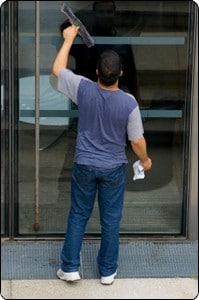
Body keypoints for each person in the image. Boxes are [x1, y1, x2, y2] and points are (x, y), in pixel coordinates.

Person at [52, 25, 152, 285]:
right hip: (113, 168)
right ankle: (107, 271)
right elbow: (137, 140)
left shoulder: (83, 88)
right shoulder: (129, 103)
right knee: (110, 220)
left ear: (96, 71)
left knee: (78, 214)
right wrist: (145, 160)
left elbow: (58, 70)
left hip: (84, 164)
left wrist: (68, 40)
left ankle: (70, 267)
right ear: (121, 73)